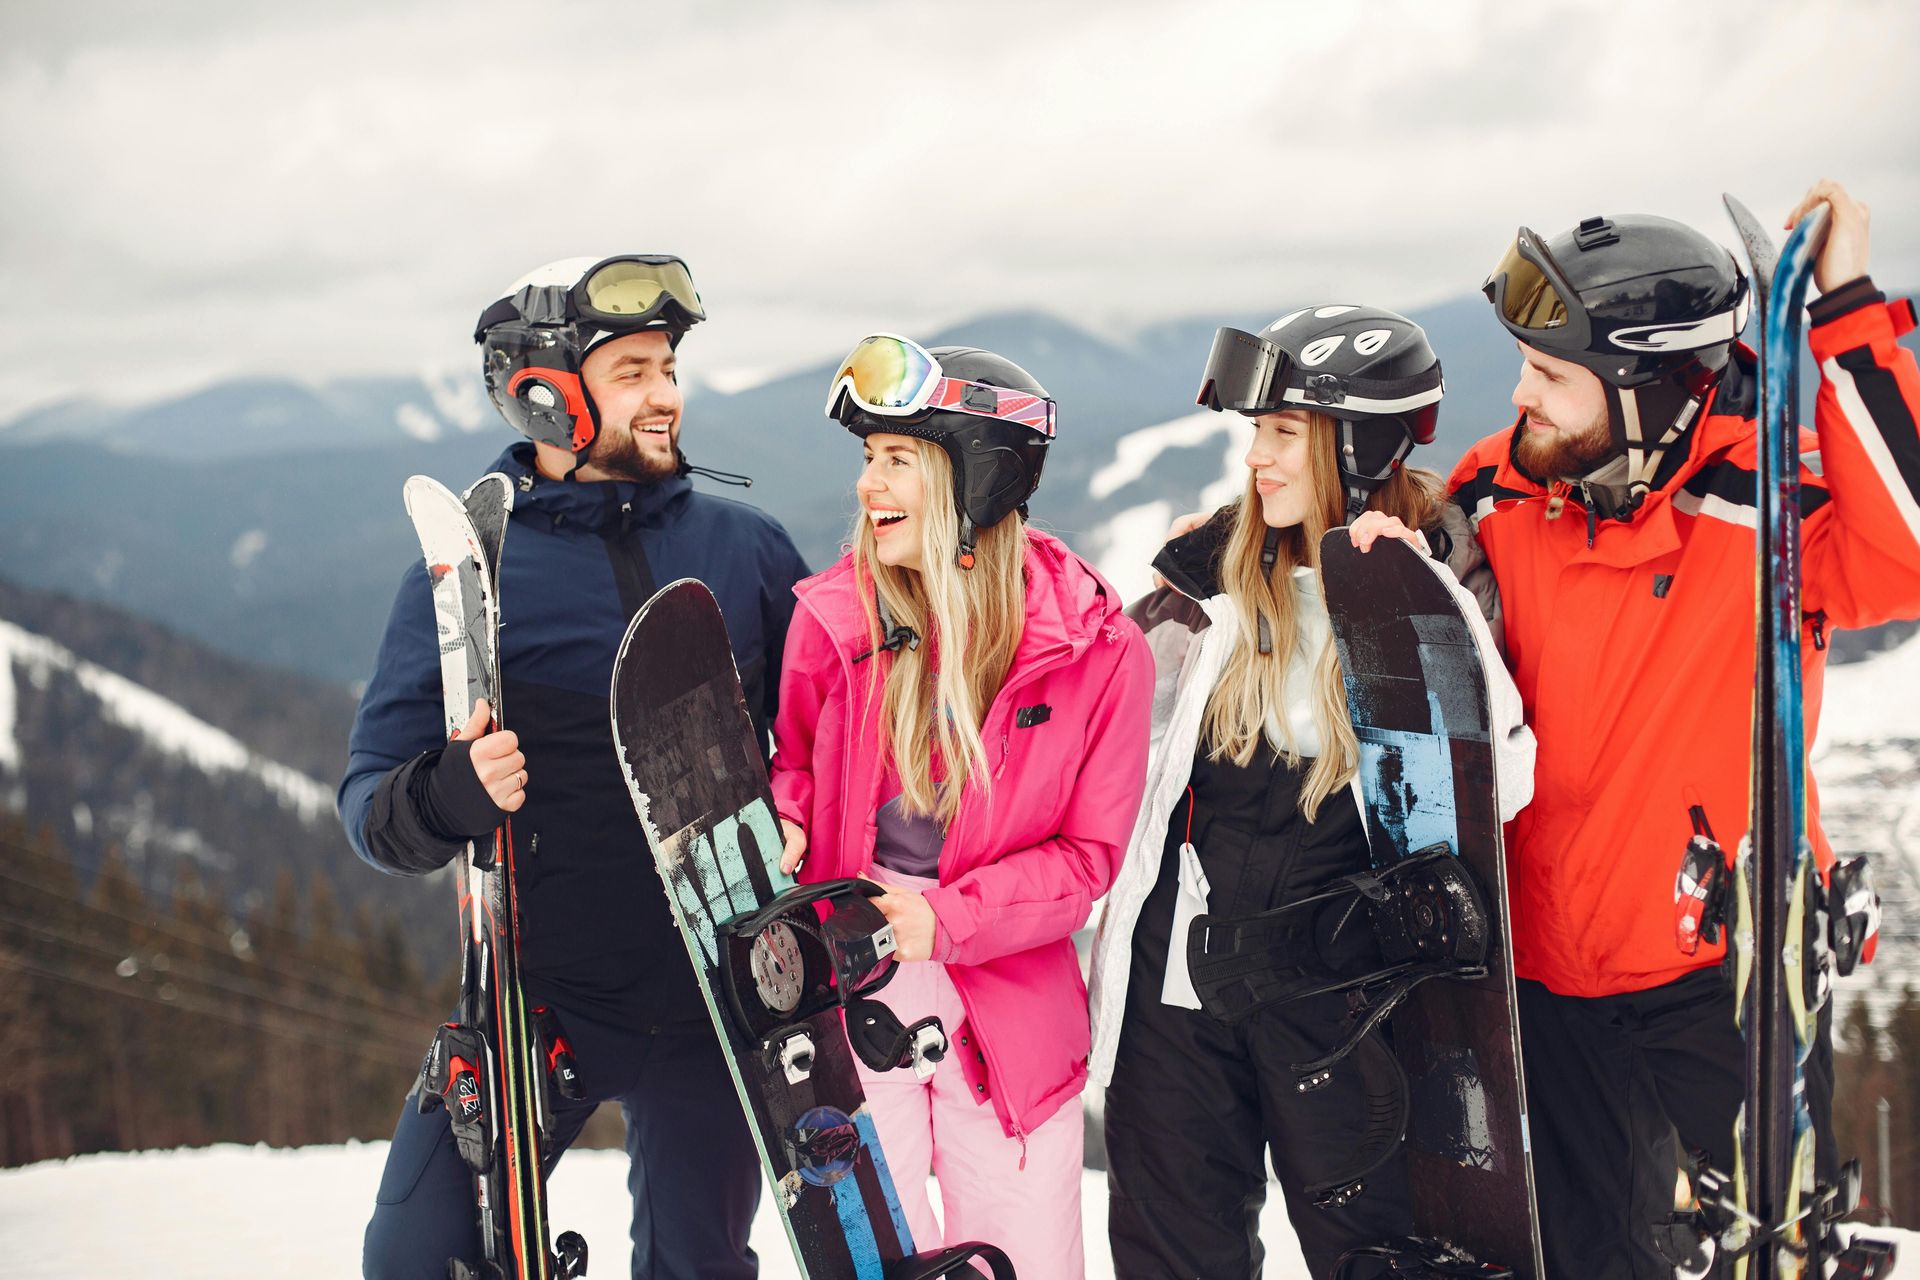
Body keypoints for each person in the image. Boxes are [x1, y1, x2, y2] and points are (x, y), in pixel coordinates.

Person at [1453, 179, 1917, 1275]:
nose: (1519, 395)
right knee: (1590, 1255)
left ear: (1644, 388)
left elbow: (1906, 547)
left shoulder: (1771, 511)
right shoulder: (1504, 493)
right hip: (1548, 969)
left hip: (1726, 968)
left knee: (1769, 1245)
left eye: (1551, 374)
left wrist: (1846, 308)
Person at [339, 255, 810, 1279]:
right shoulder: (471, 574)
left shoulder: (750, 550)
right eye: (633, 370)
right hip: (543, 1001)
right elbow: (368, 804)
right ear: (545, 392)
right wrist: (449, 793)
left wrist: (800, 810)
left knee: (698, 1266)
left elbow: (828, 731)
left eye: (669, 367)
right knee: (412, 1258)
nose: (666, 393)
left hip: (714, 1004)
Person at [1086, 304, 1536, 1280]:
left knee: (1370, 1250)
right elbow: (1108, 727)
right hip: (1185, 968)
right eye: (1257, 430)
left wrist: (1418, 606)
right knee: (1171, 1247)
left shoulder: (1437, 581)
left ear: (1359, 445)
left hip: (1340, 987)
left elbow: (1499, 784)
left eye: (1284, 432)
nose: (1257, 456)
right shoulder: (1210, 581)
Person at [767, 334, 1153, 1279]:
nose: (869, 484)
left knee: (1023, 1261)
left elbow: (1088, 861)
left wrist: (945, 920)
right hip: (853, 987)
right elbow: (798, 761)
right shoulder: (837, 622)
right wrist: (787, 816)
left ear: (978, 478)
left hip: (1006, 1008)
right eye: (869, 457)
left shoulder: (1098, 653)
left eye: (899, 459)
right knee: (871, 1258)